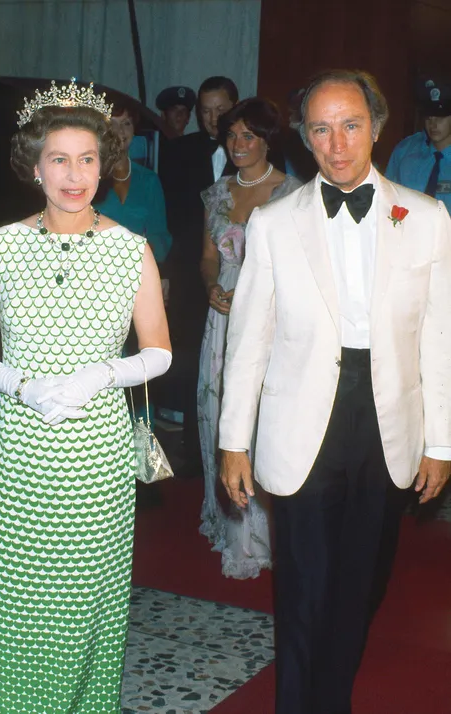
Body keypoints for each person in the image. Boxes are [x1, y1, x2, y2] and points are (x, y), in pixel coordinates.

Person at [219, 69, 451, 714]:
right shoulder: (273, 223)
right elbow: (249, 342)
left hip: (388, 421)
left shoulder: (427, 217)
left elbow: (440, 337)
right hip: (302, 419)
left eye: (351, 125)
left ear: (376, 127)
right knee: (304, 586)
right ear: (304, 139)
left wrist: (441, 439)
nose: (338, 142)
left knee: (363, 584)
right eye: (321, 128)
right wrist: (233, 442)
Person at [0, 78, 171, 714]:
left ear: (105, 163)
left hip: (96, 450)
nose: (75, 176)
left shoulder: (132, 251)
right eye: (59, 159)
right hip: (19, 444)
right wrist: (20, 383)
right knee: (13, 594)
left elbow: (159, 351)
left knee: (80, 600)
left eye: (88, 159)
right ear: (34, 165)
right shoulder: (3, 244)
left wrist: (98, 375)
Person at [197, 98, 301, 578]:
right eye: (231, 136)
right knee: (219, 416)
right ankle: (230, 525)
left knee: (259, 423)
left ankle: (262, 536)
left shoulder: (292, 194)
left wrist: (250, 296)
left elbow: (300, 271)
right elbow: (207, 257)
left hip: (270, 324)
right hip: (221, 322)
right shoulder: (217, 193)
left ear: (267, 140)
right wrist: (214, 287)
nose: (238, 145)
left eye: (248, 136)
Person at [159, 76, 238, 476]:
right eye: (205, 111)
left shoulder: (251, 150)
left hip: (241, 272)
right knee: (193, 361)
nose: (211, 119)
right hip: (193, 273)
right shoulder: (179, 152)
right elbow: (169, 216)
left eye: (220, 111)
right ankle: (193, 452)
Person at [95, 102, 172, 268]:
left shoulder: (148, 179)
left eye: (126, 124)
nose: (120, 131)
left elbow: (160, 237)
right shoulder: (88, 177)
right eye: (112, 124)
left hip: (138, 272)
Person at [385, 77, 451, 213]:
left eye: (441, 117)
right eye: (428, 117)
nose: (433, 124)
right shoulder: (405, 151)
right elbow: (386, 197)